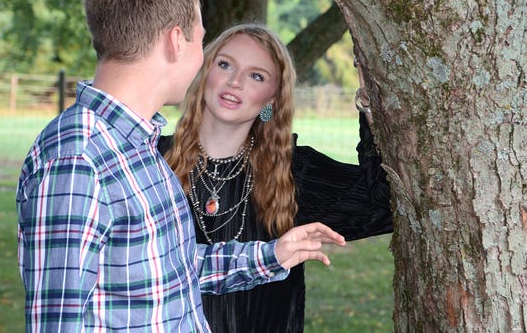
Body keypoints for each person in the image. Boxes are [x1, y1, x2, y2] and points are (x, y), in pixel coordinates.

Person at [15, 0, 345, 332]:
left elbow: (172, 270)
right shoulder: (77, 160)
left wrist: (273, 255)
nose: (202, 59)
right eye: (200, 41)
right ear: (176, 41)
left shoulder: (141, 146)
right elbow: (57, 323)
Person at [160, 23, 392, 332]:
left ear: (270, 101)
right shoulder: (151, 160)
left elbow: (384, 203)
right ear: (205, 74)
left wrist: (369, 100)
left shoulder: (295, 172)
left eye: (256, 76)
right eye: (225, 64)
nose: (235, 81)